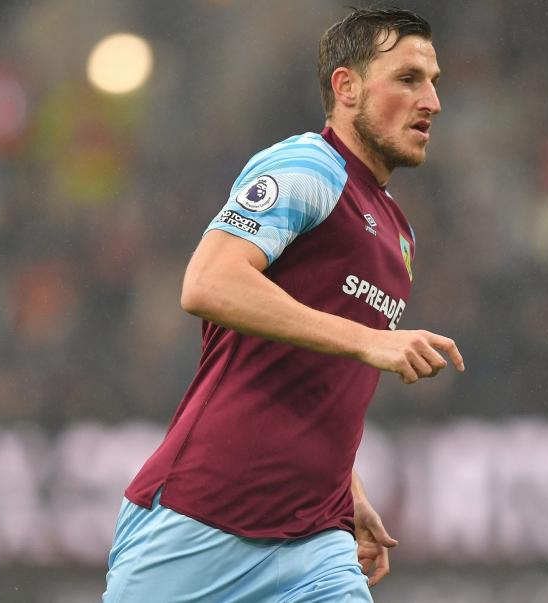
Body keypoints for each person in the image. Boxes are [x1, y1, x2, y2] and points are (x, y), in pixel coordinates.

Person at [103, 7, 462, 602]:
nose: (432, 101)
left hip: (314, 543)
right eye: (407, 79)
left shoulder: (400, 234)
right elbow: (208, 283)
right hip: (202, 523)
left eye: (433, 82)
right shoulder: (308, 166)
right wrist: (372, 339)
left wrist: (344, 485)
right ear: (345, 87)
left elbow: (311, 371)